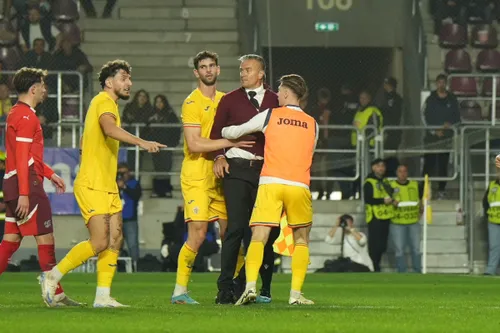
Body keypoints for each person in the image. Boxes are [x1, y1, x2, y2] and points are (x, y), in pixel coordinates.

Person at [40, 60, 166, 308]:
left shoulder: (107, 104)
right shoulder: (104, 101)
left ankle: (102, 296)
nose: (129, 83)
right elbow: (109, 129)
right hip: (93, 184)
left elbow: (85, 143)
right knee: (99, 241)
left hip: (107, 184)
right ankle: (52, 276)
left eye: (129, 79)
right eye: (123, 78)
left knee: (115, 239)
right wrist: (141, 142)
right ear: (109, 82)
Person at [221, 74, 318, 306]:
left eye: (279, 92)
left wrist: (224, 133)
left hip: (271, 182)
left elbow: (236, 131)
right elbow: (310, 154)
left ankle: (250, 287)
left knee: (259, 235)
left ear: (285, 94)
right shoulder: (313, 123)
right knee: (301, 238)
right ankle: (295, 295)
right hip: (298, 185)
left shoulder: (271, 114)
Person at [171, 51, 254, 304]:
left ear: (218, 70)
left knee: (232, 233)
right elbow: (194, 144)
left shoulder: (226, 100)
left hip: (222, 174)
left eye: (211, 66)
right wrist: (229, 142)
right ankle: (180, 291)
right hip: (197, 174)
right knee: (197, 233)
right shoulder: (191, 103)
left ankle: (237, 287)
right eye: (203, 67)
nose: (207, 70)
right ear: (197, 73)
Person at [0, 67, 81, 306]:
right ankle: (53, 290)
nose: (46, 90)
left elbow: (25, 157)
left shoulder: (16, 113)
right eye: (43, 85)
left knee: (10, 241)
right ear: (34, 88)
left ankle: (56, 293)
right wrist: (25, 193)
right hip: (26, 185)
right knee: (46, 238)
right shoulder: (27, 117)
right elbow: (25, 156)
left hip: (13, 181)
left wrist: (49, 173)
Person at [210, 54, 280, 305]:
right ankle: (225, 288)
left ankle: (247, 282)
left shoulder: (276, 100)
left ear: (261, 74)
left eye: (248, 70)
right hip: (237, 169)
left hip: (266, 171)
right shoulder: (229, 99)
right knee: (235, 229)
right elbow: (215, 133)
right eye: (241, 70)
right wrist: (219, 156)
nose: (243, 74)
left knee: (263, 232)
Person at [390, 164, 422, 273]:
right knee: (399, 250)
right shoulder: (391, 185)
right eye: (400, 171)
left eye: (404, 171)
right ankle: (401, 273)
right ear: (396, 173)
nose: (402, 174)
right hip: (397, 222)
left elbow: (420, 200)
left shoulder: (415, 184)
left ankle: (417, 271)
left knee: (416, 249)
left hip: (413, 221)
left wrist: (421, 211)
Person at [364, 158, 394, 272]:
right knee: (375, 244)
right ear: (373, 168)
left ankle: (377, 265)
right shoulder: (369, 182)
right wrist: (383, 201)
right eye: (378, 166)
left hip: (385, 216)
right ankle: (374, 267)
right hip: (374, 217)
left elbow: (391, 194)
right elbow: (368, 199)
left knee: (382, 244)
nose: (381, 168)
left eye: (383, 166)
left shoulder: (386, 181)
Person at [117, 163, 142, 272]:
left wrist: (124, 187)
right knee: (115, 244)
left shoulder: (134, 183)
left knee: (132, 245)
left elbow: (136, 196)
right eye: (120, 173)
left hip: (130, 219)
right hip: (115, 218)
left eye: (124, 173)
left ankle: (135, 267)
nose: (122, 175)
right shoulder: (112, 184)